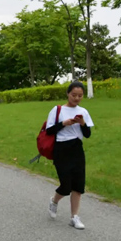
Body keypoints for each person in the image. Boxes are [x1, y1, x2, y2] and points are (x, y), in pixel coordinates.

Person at [45, 81, 94, 229]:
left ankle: (74, 217)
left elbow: (88, 134)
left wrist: (82, 123)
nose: (77, 98)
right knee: (66, 186)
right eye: (74, 95)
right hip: (61, 149)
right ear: (67, 94)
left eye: (80, 96)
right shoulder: (57, 110)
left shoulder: (83, 111)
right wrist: (63, 123)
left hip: (77, 149)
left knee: (78, 186)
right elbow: (49, 131)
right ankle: (54, 201)